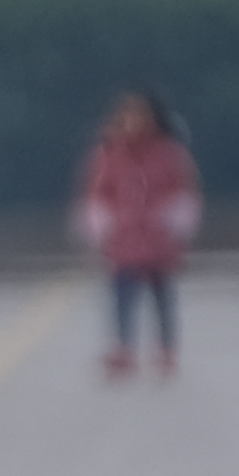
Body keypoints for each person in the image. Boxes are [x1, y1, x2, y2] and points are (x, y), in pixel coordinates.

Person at [80, 90, 200, 379]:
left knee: (162, 293)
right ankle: (123, 346)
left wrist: (177, 225)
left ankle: (166, 346)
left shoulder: (169, 154)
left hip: (158, 236)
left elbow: (183, 189)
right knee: (122, 294)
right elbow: (98, 193)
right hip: (123, 238)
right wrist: (100, 226)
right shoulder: (109, 155)